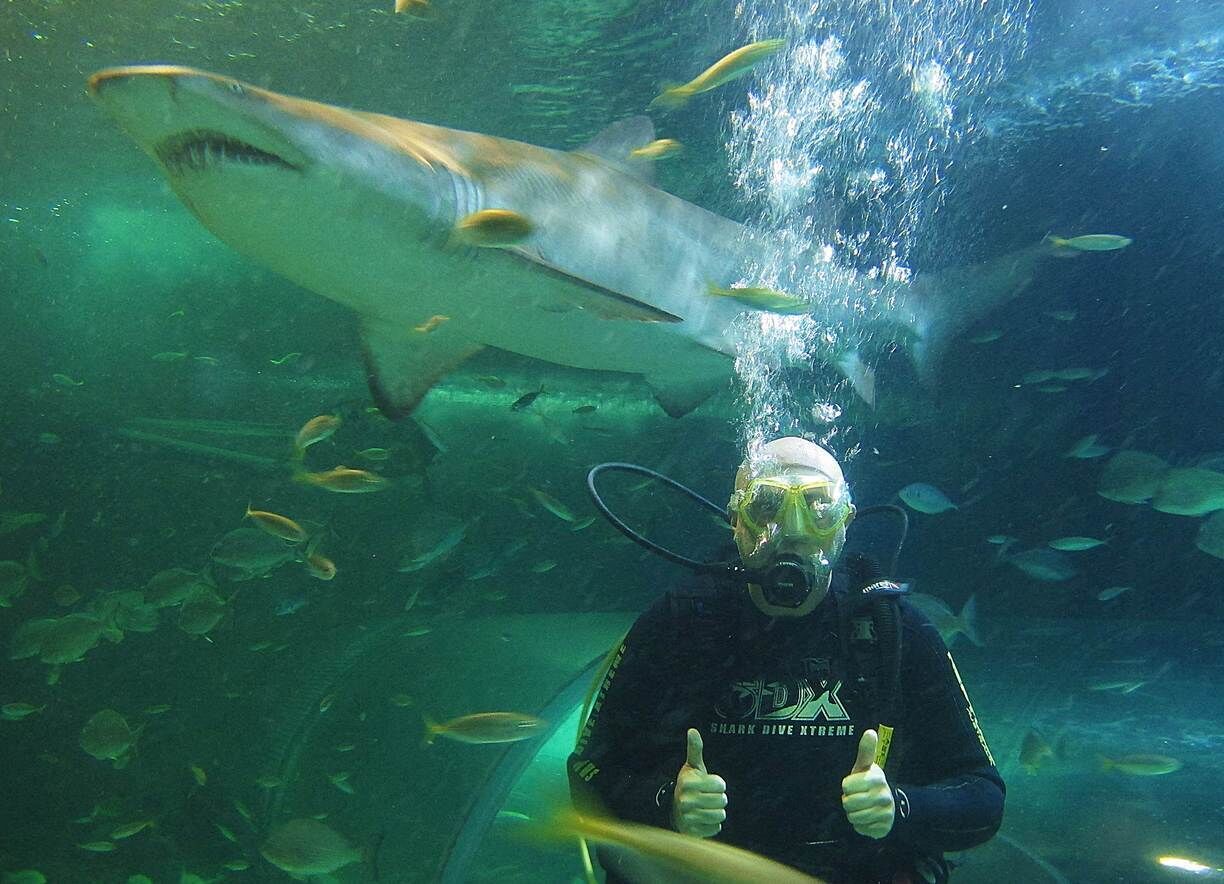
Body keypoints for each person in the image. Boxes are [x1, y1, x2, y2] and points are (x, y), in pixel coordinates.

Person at [568, 437, 1003, 883]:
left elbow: (983, 796)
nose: (792, 529)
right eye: (767, 505)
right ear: (736, 521)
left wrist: (899, 807)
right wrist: (666, 803)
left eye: (818, 507)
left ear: (844, 523)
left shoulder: (892, 630)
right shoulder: (679, 624)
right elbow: (588, 770)